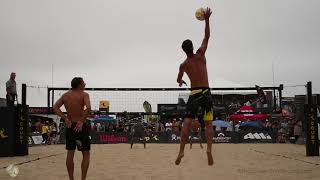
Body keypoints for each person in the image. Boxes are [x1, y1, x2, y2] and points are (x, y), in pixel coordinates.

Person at [175, 7, 214, 166]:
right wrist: (207, 20)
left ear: (184, 50)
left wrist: (180, 82)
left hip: (195, 93)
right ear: (192, 47)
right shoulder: (200, 54)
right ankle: (209, 150)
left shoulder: (184, 64)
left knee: (187, 123)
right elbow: (207, 36)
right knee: (209, 124)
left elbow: (178, 78)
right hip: (206, 92)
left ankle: (181, 151)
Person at [53, 77, 91, 180]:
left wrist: (65, 118)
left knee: (70, 153)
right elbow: (88, 108)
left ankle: (71, 179)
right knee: (86, 154)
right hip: (80, 126)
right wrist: (81, 121)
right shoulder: (84, 94)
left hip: (70, 125)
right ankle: (83, 179)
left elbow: (55, 107)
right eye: (83, 83)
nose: (85, 84)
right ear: (79, 85)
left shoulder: (65, 95)